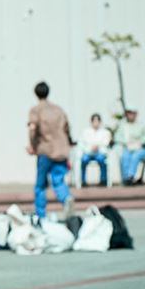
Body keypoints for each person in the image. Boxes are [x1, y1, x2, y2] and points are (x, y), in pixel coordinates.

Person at [27, 82, 74, 221]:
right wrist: (69, 142)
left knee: (41, 185)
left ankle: (41, 215)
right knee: (58, 181)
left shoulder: (36, 110)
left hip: (45, 150)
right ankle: (66, 198)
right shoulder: (59, 110)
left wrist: (32, 145)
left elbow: (33, 129)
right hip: (61, 150)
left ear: (36, 94)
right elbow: (67, 128)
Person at [115, 109, 145, 185]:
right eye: (129, 114)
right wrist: (126, 142)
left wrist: (140, 142)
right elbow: (117, 137)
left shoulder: (142, 125)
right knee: (125, 156)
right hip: (128, 148)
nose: (131, 115)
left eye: (132, 113)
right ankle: (126, 178)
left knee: (135, 156)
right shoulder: (123, 126)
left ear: (136, 114)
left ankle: (130, 176)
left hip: (141, 148)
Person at [78, 113, 112, 186]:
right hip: (88, 152)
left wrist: (98, 146)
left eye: (97, 121)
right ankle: (83, 181)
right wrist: (91, 147)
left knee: (101, 160)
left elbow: (106, 142)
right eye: (94, 121)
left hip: (100, 152)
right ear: (91, 122)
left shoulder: (105, 132)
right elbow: (82, 143)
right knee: (84, 160)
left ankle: (103, 180)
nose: (96, 123)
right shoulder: (86, 131)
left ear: (100, 122)